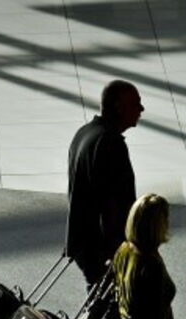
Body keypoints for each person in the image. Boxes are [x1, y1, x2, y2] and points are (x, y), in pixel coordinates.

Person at [66, 80, 144, 286]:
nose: (141, 109)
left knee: (97, 298)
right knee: (109, 307)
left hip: (83, 240)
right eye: (136, 103)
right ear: (119, 106)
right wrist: (122, 250)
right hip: (101, 248)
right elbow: (115, 204)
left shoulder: (85, 133)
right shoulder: (111, 143)